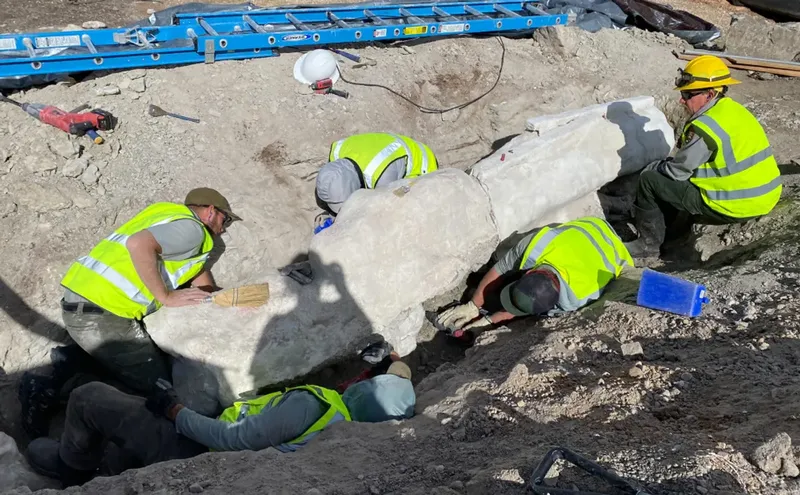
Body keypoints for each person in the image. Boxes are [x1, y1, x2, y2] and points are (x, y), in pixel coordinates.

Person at [20, 188, 241, 438]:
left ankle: (72, 362)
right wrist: (165, 297)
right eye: (226, 220)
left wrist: (214, 297)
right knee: (161, 388)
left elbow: (195, 271)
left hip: (86, 299)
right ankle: (46, 393)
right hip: (102, 312)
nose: (225, 228)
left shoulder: (167, 216)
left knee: (134, 357)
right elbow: (139, 245)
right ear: (211, 211)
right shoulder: (193, 231)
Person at [25, 357, 416, 488]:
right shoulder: (349, 437)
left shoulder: (313, 406)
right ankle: (114, 465)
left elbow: (233, 439)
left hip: (198, 450)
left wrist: (175, 412)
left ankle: (73, 469)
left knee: (89, 396)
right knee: (121, 447)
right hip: (217, 461)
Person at [626, 55, 781, 258]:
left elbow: (678, 172)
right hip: (766, 195)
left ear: (709, 94)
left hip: (734, 204)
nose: (682, 99)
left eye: (688, 94)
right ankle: (672, 231)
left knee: (650, 180)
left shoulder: (706, 128)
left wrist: (657, 167)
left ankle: (647, 246)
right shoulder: (735, 110)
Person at [435, 217, 632, 337]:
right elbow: (501, 268)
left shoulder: (576, 300)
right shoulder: (536, 247)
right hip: (592, 226)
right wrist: (473, 305)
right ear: (529, 272)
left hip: (618, 253)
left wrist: (489, 321)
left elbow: (527, 308)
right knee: (505, 252)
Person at [314, 133, 438, 221]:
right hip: (385, 149)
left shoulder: (381, 176)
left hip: (421, 163)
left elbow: (383, 212)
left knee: (404, 208)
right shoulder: (337, 153)